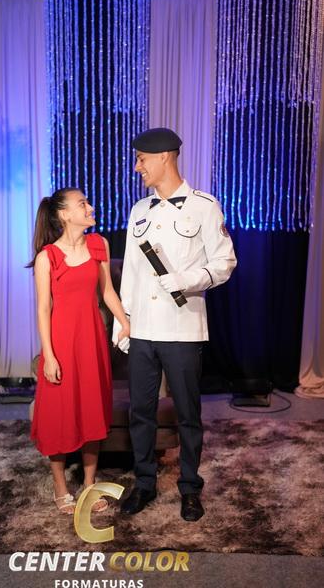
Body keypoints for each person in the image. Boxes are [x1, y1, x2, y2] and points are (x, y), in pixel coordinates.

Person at [113, 128, 237, 521]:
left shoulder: (204, 206)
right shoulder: (139, 210)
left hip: (182, 328)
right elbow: (131, 272)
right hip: (143, 329)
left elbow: (225, 263)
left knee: (187, 413)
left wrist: (186, 279)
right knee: (141, 412)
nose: (137, 167)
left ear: (164, 156)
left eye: (141, 159)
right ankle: (144, 483)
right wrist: (122, 321)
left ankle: (190, 488)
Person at [29, 187, 130, 514]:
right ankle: (61, 487)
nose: (90, 207)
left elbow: (108, 292)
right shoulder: (47, 257)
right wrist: (49, 355)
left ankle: (89, 484)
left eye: (87, 202)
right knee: (59, 415)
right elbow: (43, 309)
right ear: (64, 214)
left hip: (92, 342)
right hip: (61, 345)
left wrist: (125, 322)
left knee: (91, 412)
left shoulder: (99, 244)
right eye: (82, 203)